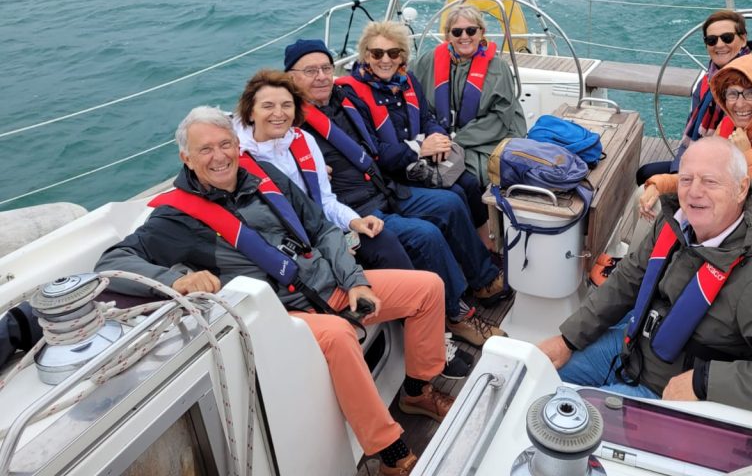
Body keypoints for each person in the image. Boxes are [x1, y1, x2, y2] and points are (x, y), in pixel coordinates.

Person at [95, 107, 454, 476]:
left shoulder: (265, 178)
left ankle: (416, 390)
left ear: (238, 145)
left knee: (427, 288)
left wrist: (355, 280)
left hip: (330, 284)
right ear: (186, 158)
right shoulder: (174, 219)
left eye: (225, 145)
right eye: (205, 150)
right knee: (339, 335)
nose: (219, 157)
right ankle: (389, 451)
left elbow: (323, 230)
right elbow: (111, 262)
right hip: (284, 312)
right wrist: (176, 279)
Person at [537, 137, 752, 418]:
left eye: (710, 181)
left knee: (558, 421)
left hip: (665, 394)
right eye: (686, 180)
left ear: (741, 189)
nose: (694, 192)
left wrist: (704, 382)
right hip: (628, 350)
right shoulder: (675, 222)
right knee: (533, 379)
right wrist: (569, 339)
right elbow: (628, 279)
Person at [284, 38, 509, 347]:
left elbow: (380, 123)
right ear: (290, 78)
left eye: (325, 67)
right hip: (356, 211)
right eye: (310, 71)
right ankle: (457, 315)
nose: (321, 76)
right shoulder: (289, 124)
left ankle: (483, 280)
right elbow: (267, 153)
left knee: (450, 204)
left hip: (385, 189)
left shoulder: (344, 98)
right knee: (425, 235)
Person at [233, 68, 413, 271]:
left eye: (286, 105)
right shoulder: (236, 159)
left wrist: (355, 221)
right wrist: (328, 248)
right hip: (288, 250)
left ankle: (412, 299)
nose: (279, 113)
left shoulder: (303, 141)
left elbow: (325, 201)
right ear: (250, 112)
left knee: (383, 241)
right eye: (267, 106)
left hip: (322, 230)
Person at [337, 21, 493, 251]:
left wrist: (439, 139)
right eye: (377, 53)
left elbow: (427, 118)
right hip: (394, 174)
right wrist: (420, 149)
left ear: (402, 56)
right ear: (366, 56)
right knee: (455, 195)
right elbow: (374, 149)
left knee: (469, 183)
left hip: (422, 163)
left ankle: (484, 245)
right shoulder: (353, 94)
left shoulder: (407, 81)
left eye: (393, 53)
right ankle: (471, 260)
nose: (385, 60)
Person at [637, 9, 752, 184]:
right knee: (646, 174)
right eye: (711, 40)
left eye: (727, 37)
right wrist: (679, 172)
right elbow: (693, 137)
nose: (719, 45)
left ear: (743, 39)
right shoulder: (708, 81)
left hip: (749, 169)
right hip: (711, 163)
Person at [639, 53, 752, 218]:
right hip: (717, 208)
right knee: (645, 195)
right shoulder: (726, 126)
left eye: (751, 94)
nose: (739, 104)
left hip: (750, 226)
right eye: (732, 94)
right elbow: (700, 174)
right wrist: (659, 185)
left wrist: (745, 153)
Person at [411, 4, 527, 182]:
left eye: (471, 31)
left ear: (481, 33)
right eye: (457, 32)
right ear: (448, 35)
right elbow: (403, 79)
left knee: (470, 175)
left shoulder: (498, 68)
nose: (464, 37)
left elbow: (500, 118)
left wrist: (454, 142)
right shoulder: (429, 61)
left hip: (489, 137)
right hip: (444, 135)